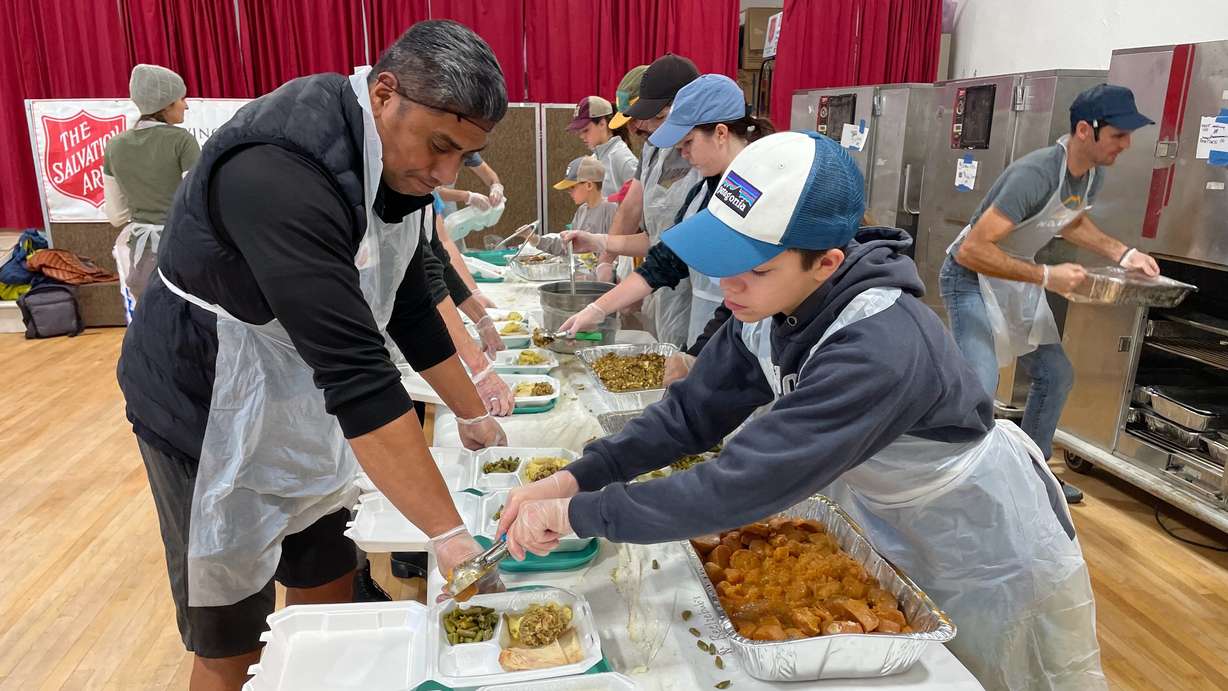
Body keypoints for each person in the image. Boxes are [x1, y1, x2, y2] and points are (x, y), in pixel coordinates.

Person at [497, 131, 1105, 691]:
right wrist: (577, 475)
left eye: (755, 268)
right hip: (886, 505)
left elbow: (740, 484)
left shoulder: (878, 346)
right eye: (722, 262)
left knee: (996, 670)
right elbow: (689, 417)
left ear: (827, 263)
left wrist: (582, 513)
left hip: (977, 533)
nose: (729, 286)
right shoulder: (769, 305)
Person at [118, 21, 509, 690]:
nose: (445, 173)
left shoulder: (399, 167)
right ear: (385, 94)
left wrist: (473, 411)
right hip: (205, 407)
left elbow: (410, 304)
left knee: (326, 588)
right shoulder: (280, 166)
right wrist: (447, 532)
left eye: (464, 157)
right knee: (231, 631)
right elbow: (358, 372)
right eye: (441, 146)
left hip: (302, 400)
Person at [940, 83, 1159, 505]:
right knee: (981, 384)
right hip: (969, 276)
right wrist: (1045, 275)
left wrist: (1125, 253)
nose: (1127, 144)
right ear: (1084, 130)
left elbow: (1068, 220)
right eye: (1118, 135)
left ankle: (1032, 473)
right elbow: (973, 250)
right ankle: (962, 484)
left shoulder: (1091, 174)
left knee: (1055, 375)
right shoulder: (1035, 173)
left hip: (1019, 276)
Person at [558, 74, 774, 350]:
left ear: (721, 133)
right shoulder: (704, 193)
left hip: (755, 343)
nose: (682, 154)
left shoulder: (758, 190)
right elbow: (666, 258)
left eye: (688, 143)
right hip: (718, 336)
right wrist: (597, 309)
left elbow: (747, 293)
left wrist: (698, 356)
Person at [589, 54, 701, 347]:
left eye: (646, 117)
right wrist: (607, 258)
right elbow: (635, 213)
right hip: (663, 274)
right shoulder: (653, 148)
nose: (636, 128)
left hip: (698, 288)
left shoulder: (708, 160)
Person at [103, 64, 201, 309]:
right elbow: (197, 201)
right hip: (182, 253)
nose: (186, 105)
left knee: (154, 328)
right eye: (181, 98)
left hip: (141, 259)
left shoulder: (115, 145)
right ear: (166, 103)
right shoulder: (182, 141)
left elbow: (116, 215)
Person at [522, 156, 619, 256]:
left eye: (572, 187)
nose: (569, 192)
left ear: (589, 185)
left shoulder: (611, 210)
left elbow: (617, 251)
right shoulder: (581, 211)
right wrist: (535, 239)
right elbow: (569, 246)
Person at [566, 96, 636, 197]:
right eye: (580, 132)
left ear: (602, 124)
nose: (582, 136)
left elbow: (640, 201)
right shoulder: (594, 158)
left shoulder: (622, 157)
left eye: (586, 130)